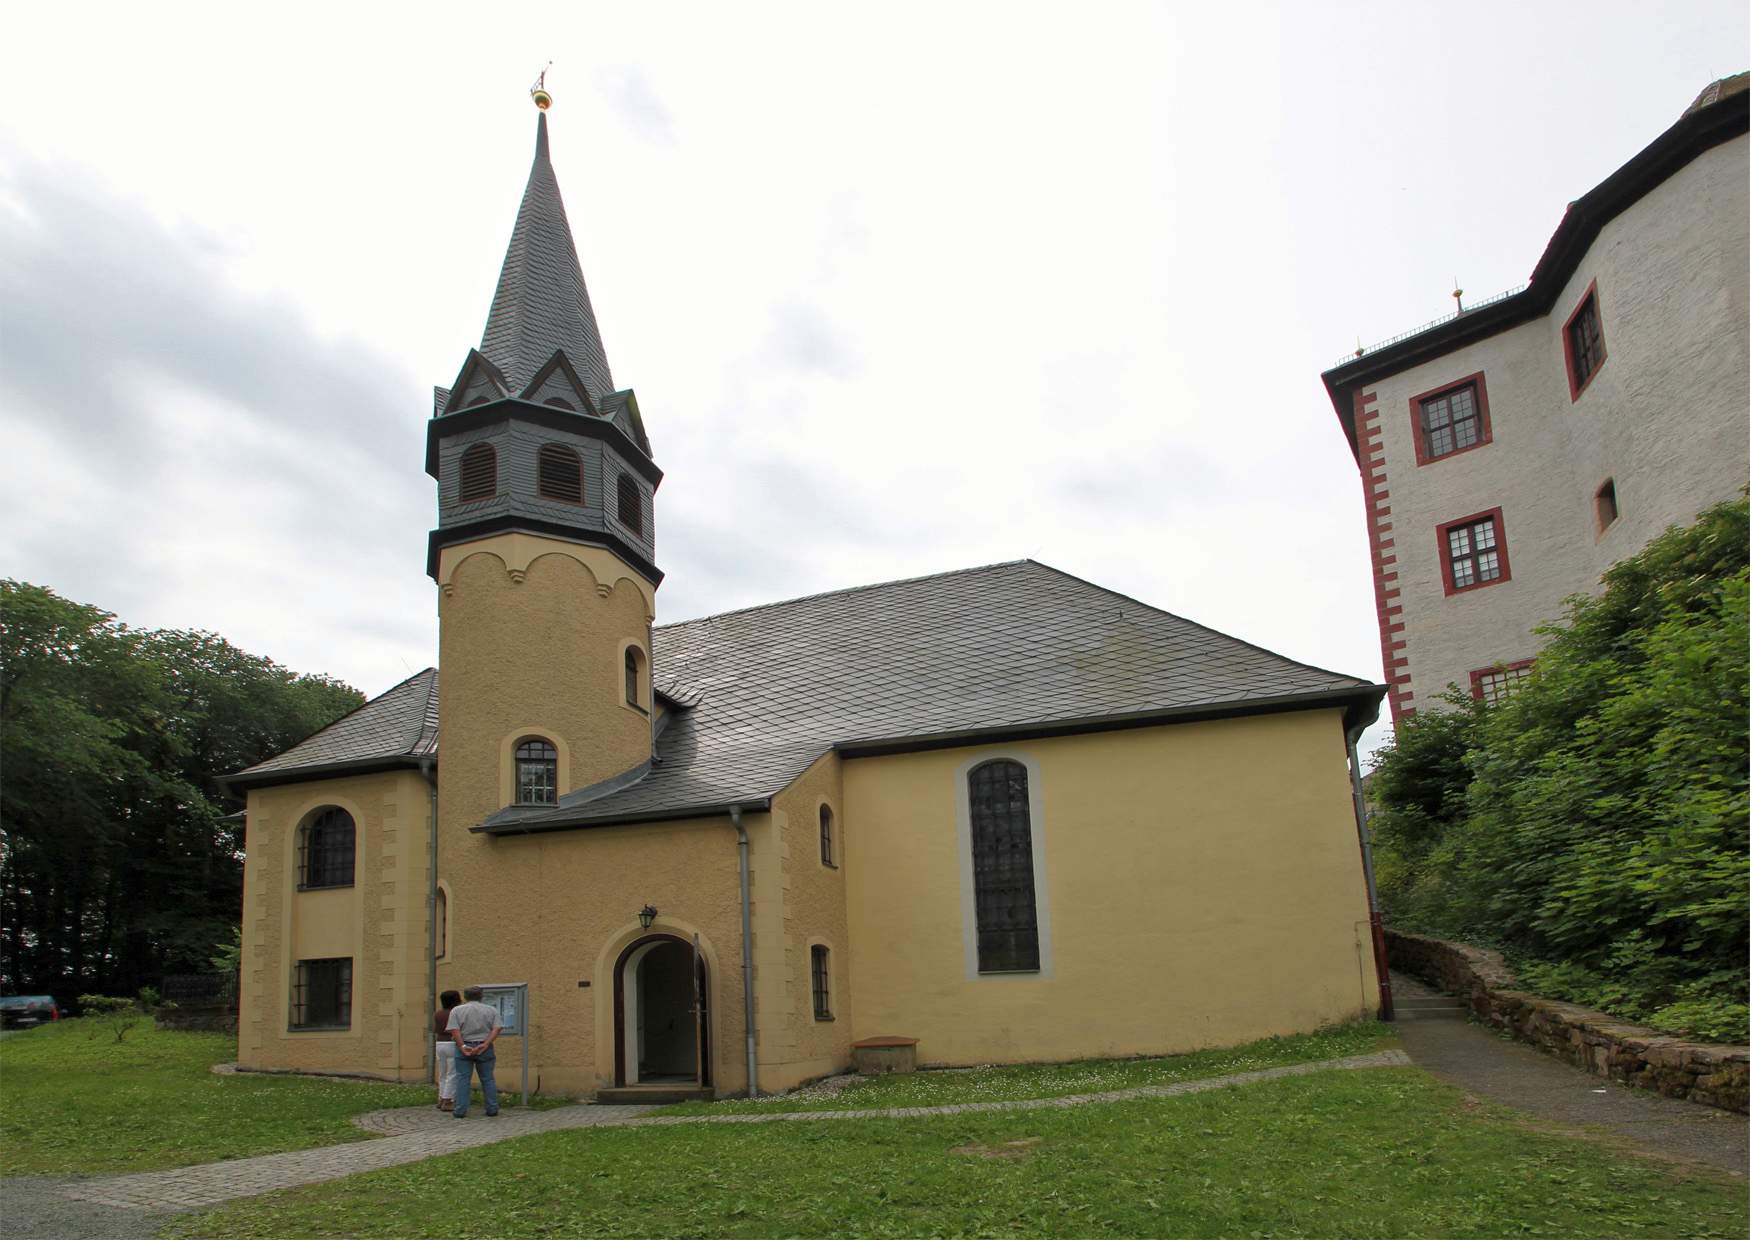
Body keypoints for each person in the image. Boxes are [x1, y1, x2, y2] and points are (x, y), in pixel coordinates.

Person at [445, 984, 503, 1118]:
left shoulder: (457, 1010)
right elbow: (497, 1028)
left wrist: (462, 1046)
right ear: (481, 996)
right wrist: (486, 1043)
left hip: (465, 1045)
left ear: (465, 997)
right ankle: (492, 1108)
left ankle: (460, 1110)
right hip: (484, 1046)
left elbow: (455, 1030)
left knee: (462, 1079)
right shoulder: (491, 1010)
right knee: (488, 1079)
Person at [434, 989, 462, 1111]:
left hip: (439, 1043)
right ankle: (448, 1100)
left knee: (442, 1072)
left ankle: (441, 1097)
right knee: (452, 1073)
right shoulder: (455, 1012)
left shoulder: (438, 1013)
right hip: (451, 1043)